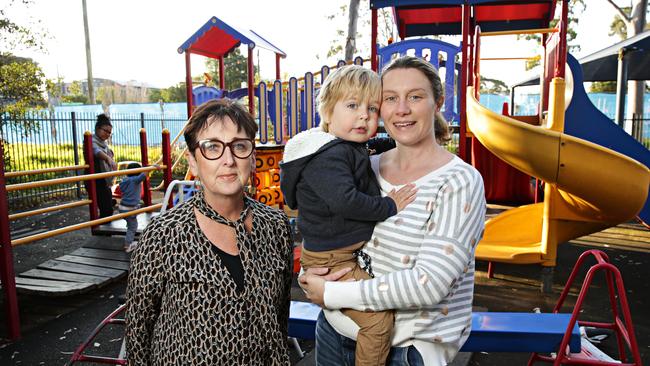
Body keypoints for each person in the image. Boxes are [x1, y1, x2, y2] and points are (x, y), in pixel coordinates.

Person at [299, 56, 487, 366]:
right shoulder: (366, 167)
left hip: (403, 350)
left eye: (415, 96)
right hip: (334, 331)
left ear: (437, 102)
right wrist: (312, 270)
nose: (401, 109)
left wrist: (330, 293)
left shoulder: (458, 181)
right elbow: (327, 224)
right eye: (390, 99)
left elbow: (429, 284)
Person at [125, 99, 293, 365]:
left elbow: (281, 314)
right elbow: (138, 330)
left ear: (252, 156)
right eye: (212, 147)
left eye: (239, 146)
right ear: (192, 160)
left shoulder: (276, 227)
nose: (228, 160)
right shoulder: (164, 234)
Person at [280, 65, 417, 366]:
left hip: (338, 252)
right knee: (378, 322)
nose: (364, 115)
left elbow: (367, 149)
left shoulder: (342, 146)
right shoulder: (327, 158)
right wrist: (390, 206)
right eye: (352, 105)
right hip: (333, 260)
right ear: (327, 112)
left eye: (372, 108)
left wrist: (394, 142)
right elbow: (346, 201)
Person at [92, 113, 117, 218]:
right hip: (95, 178)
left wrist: (110, 156)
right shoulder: (91, 140)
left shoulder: (104, 144)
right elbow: (96, 151)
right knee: (106, 208)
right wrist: (108, 158)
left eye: (109, 132)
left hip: (103, 178)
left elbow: (107, 152)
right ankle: (104, 228)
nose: (107, 134)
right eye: (105, 131)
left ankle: (106, 226)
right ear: (97, 128)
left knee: (107, 206)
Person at [118, 162, 146, 253]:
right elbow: (143, 176)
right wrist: (152, 167)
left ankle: (129, 223)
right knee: (133, 227)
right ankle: (127, 245)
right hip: (130, 208)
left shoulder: (125, 180)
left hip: (122, 207)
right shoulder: (135, 180)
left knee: (131, 220)